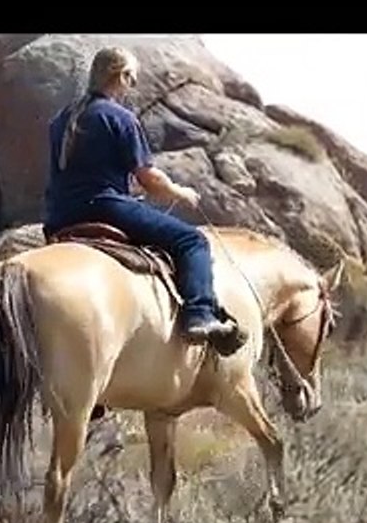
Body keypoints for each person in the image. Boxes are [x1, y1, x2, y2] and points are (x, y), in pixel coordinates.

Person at [42, 46, 245, 353]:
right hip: (105, 207)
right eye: (132, 80)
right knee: (192, 242)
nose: (131, 88)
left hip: (59, 216)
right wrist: (180, 192)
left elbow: (82, 172)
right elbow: (150, 179)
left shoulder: (61, 119)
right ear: (121, 76)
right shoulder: (120, 117)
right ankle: (200, 315)